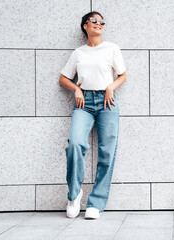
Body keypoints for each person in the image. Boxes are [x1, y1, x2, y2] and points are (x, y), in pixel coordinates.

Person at [58, 11, 127, 219]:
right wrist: (76, 89)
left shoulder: (112, 48)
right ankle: (74, 194)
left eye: (102, 22)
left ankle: (96, 202)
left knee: (107, 151)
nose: (99, 24)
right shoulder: (79, 53)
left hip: (108, 102)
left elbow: (122, 74)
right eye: (94, 21)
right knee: (76, 144)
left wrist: (110, 87)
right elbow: (63, 78)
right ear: (85, 26)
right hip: (83, 103)